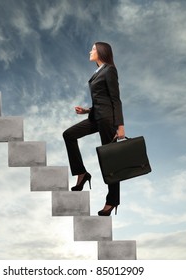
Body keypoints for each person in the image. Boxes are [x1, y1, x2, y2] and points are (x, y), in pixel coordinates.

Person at [63, 42, 125, 216]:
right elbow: (101, 100)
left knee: (109, 160)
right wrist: (87, 111)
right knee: (68, 135)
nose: (90, 51)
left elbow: (115, 99)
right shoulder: (98, 72)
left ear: (102, 52)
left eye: (93, 49)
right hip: (96, 117)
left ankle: (112, 201)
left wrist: (120, 126)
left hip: (107, 120)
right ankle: (82, 173)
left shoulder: (110, 70)